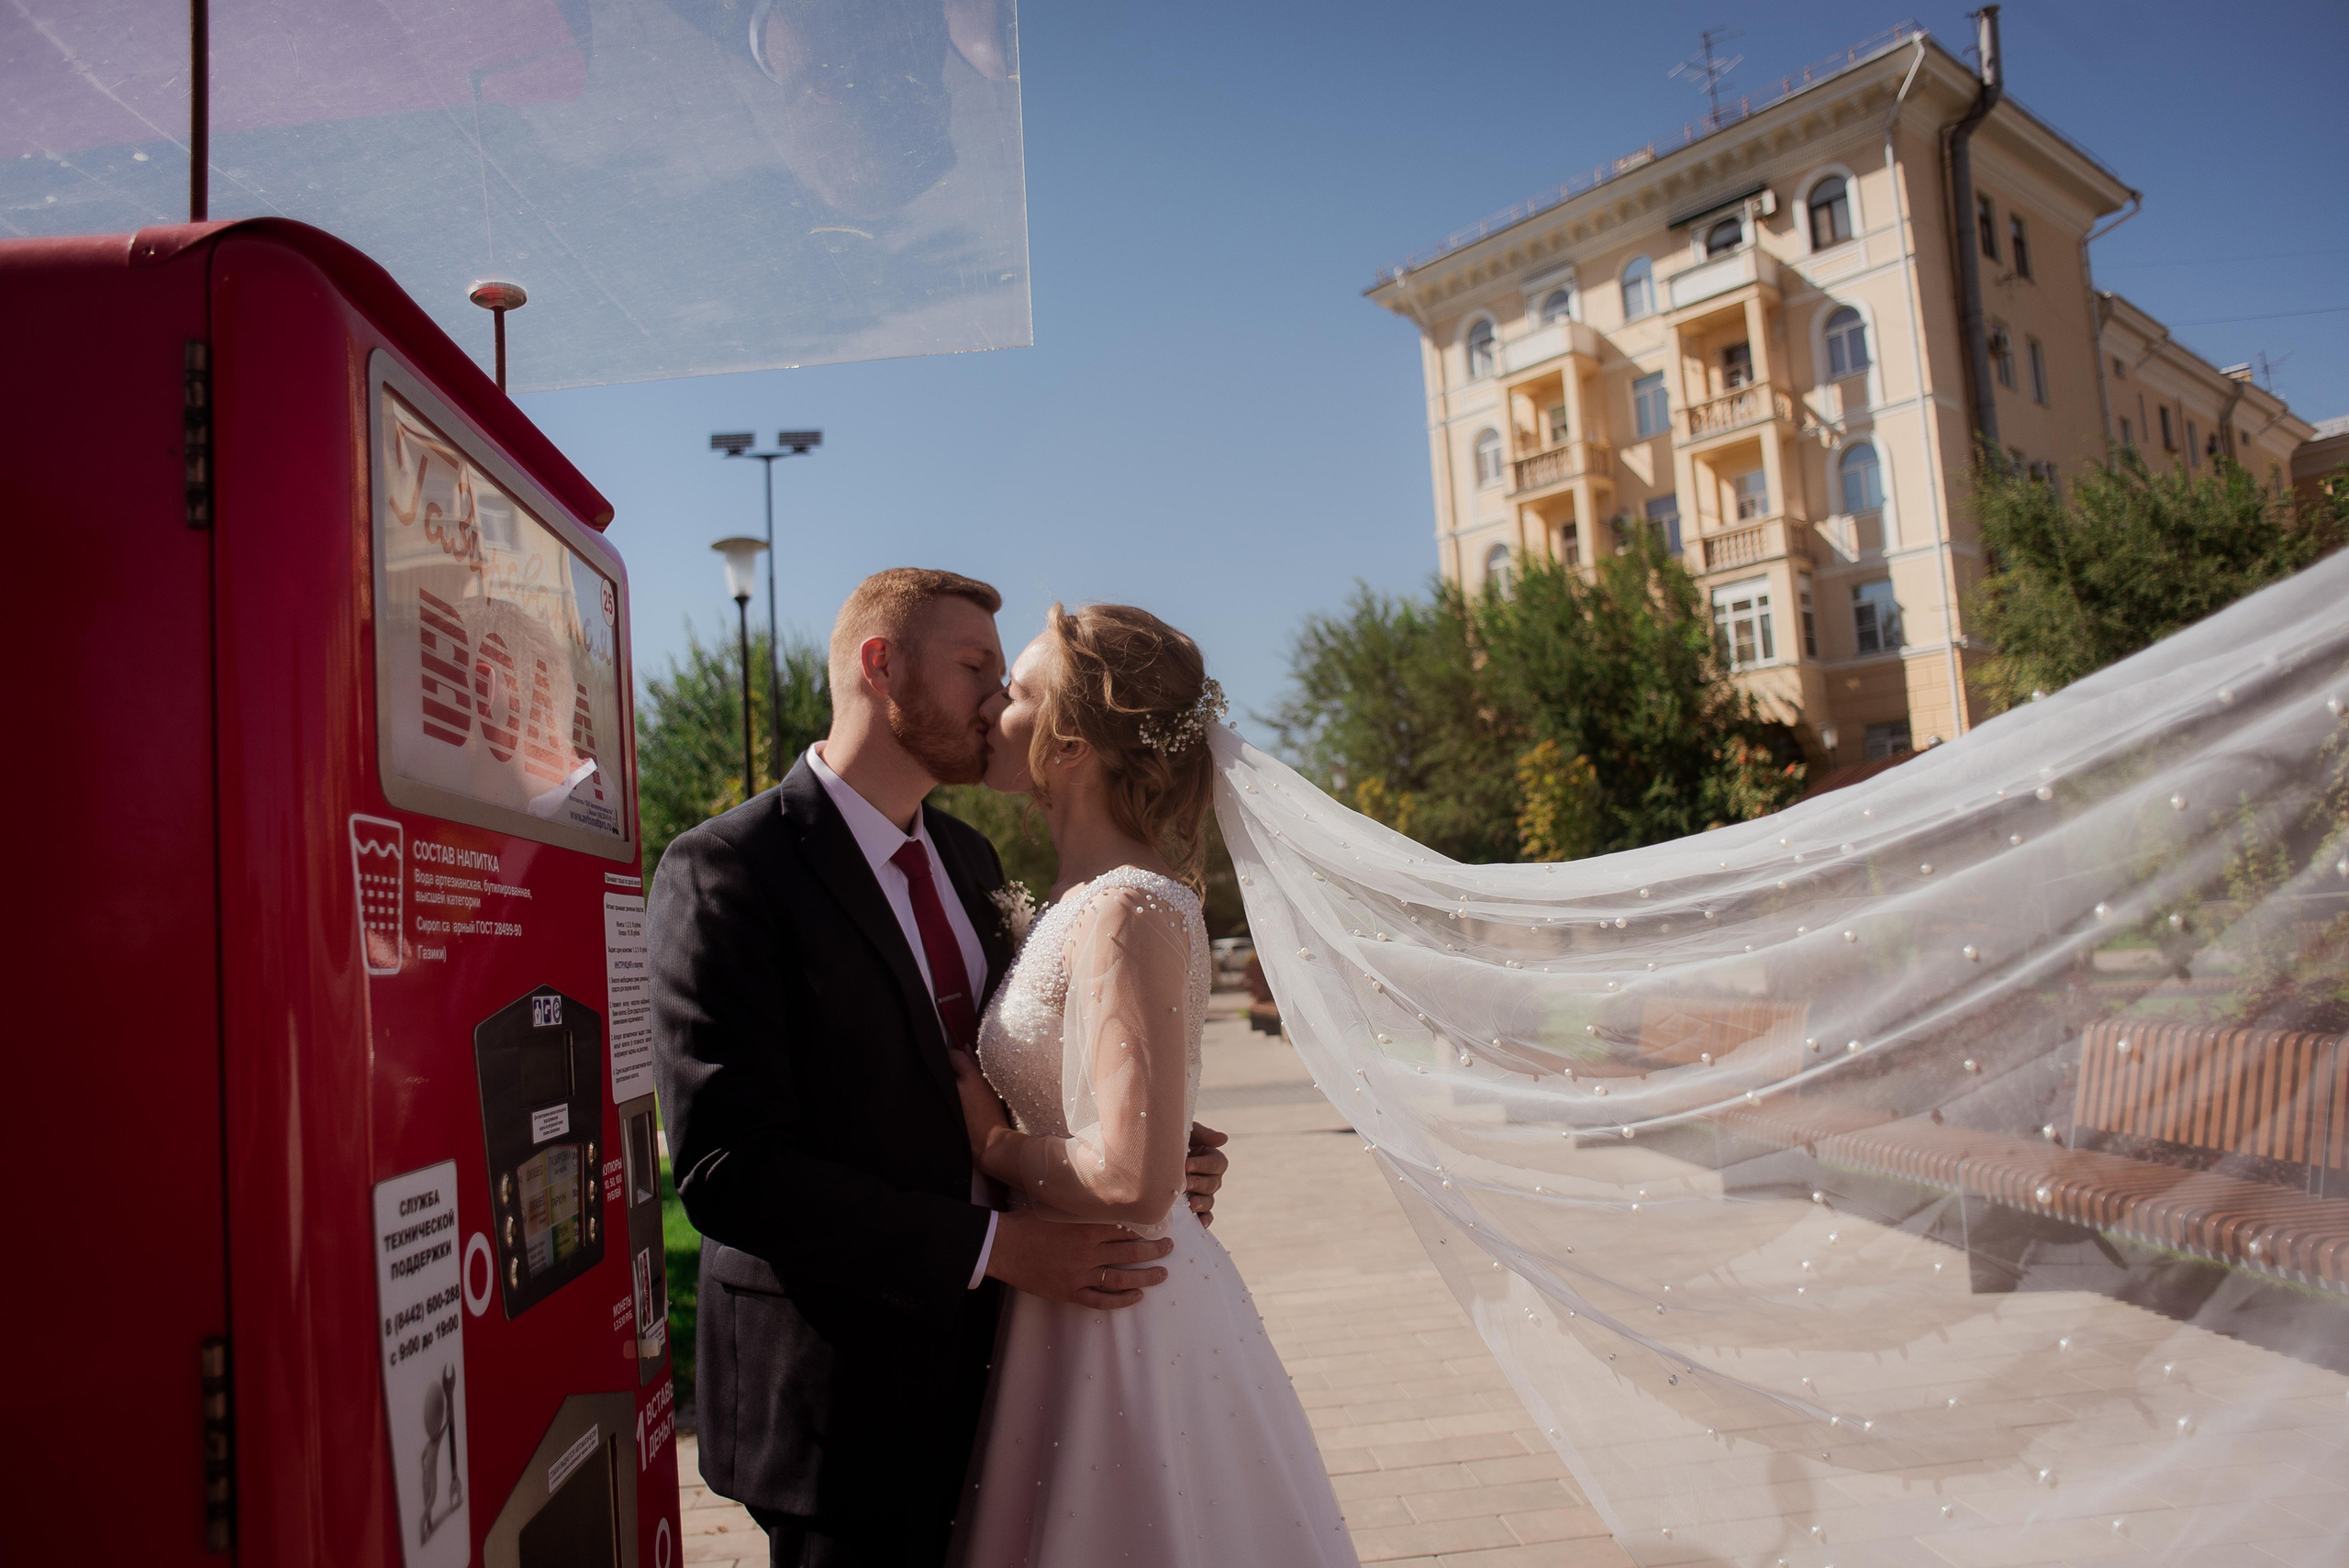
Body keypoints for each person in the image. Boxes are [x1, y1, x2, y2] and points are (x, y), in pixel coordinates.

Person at [651, 569, 1231, 1567]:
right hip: (841, 1394)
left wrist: (1155, 1138)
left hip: (1016, 1368)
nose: (996, 698)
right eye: (972, 667)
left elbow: (1023, 1065)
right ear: (881, 667)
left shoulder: (967, 859)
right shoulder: (729, 868)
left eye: (1003, 673)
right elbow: (728, 1169)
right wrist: (994, 1247)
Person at [950, 603, 1358, 1567]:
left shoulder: (1127, 906)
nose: (992, 708)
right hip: (1078, 1288)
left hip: (1122, 1314)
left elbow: (1134, 1182)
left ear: (1073, 740)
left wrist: (995, 1146)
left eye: (1015, 692)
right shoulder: (1085, 901)